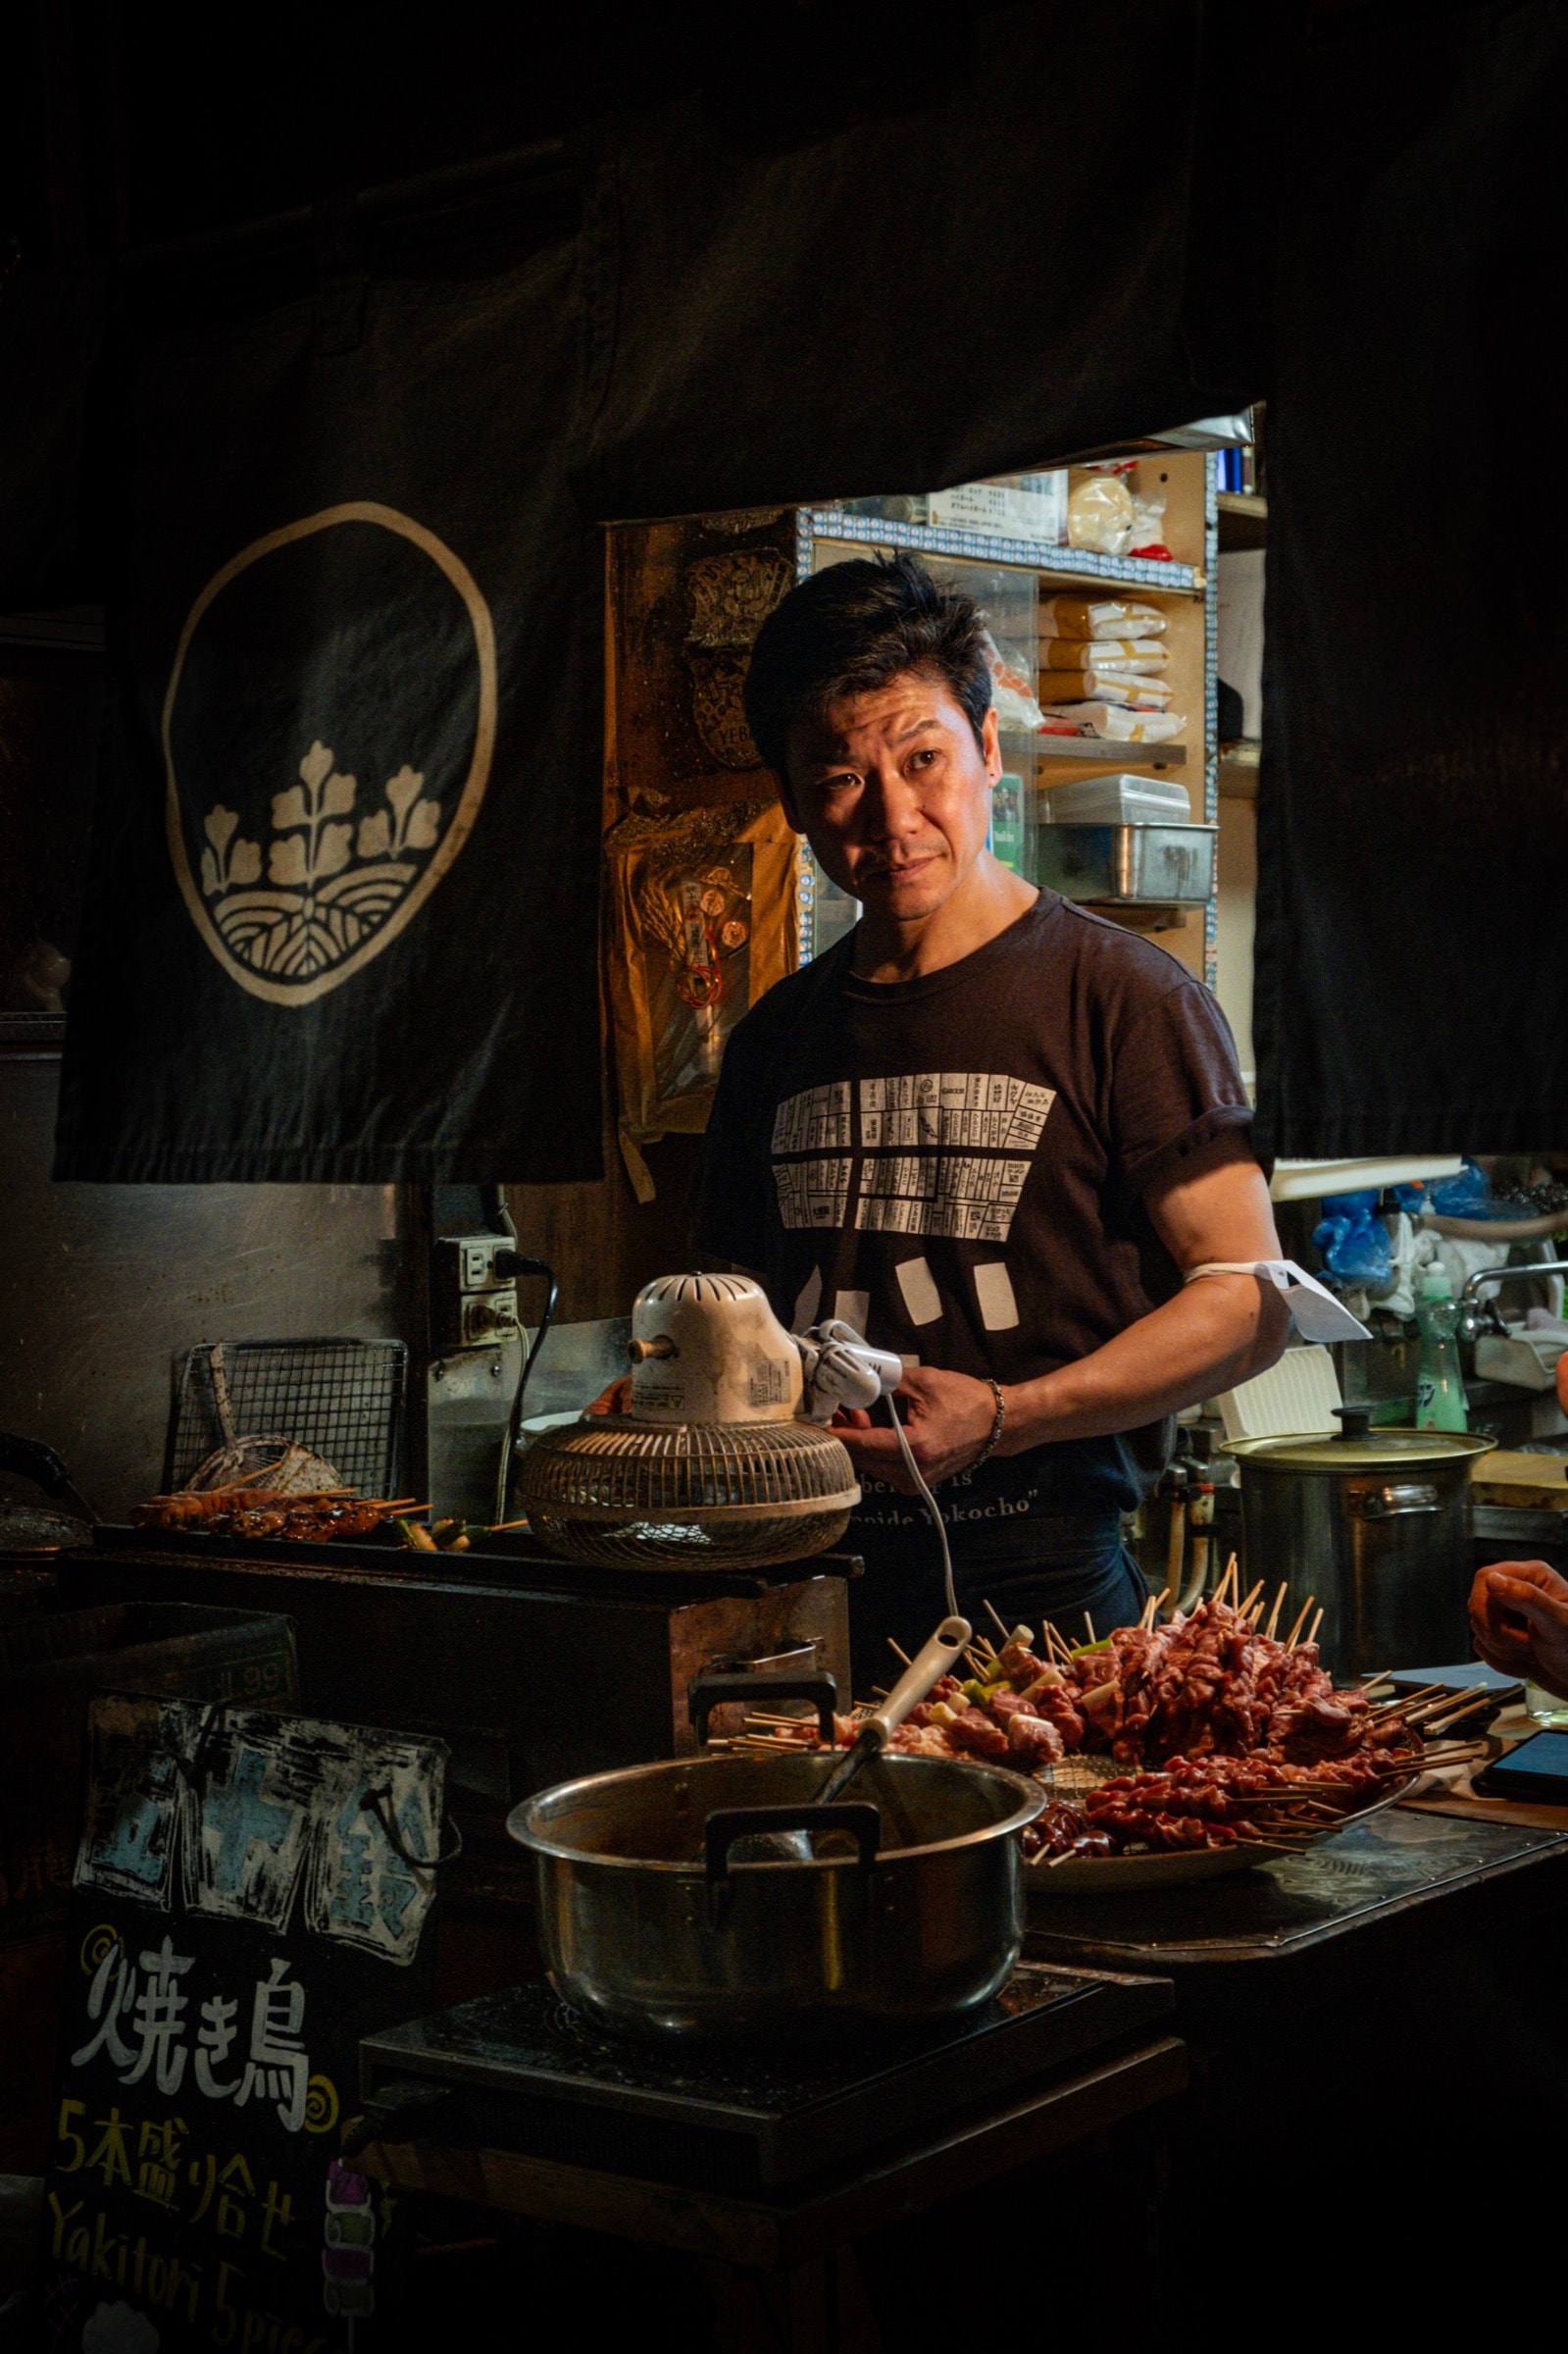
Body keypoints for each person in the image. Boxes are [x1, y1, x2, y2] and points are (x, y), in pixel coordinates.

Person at [682, 552, 1290, 1682]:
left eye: (923, 760)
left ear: (990, 749)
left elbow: (1251, 1300)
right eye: (839, 780)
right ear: (794, 801)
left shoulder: (1124, 998)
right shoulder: (775, 1039)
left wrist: (1008, 1415)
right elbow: (738, 1318)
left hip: (1056, 1608)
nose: (895, 817)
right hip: (813, 1601)